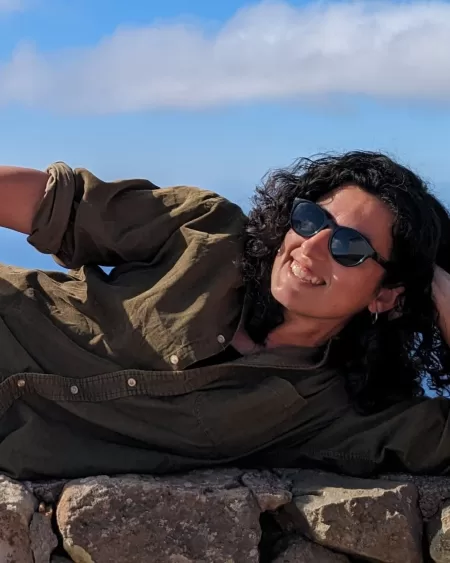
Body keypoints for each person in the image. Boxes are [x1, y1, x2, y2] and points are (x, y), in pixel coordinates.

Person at [1, 151, 450, 481]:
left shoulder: (334, 414)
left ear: (387, 295)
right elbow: (54, 204)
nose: (310, 247)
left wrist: (439, 289)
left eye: (348, 247)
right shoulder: (208, 232)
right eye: (312, 220)